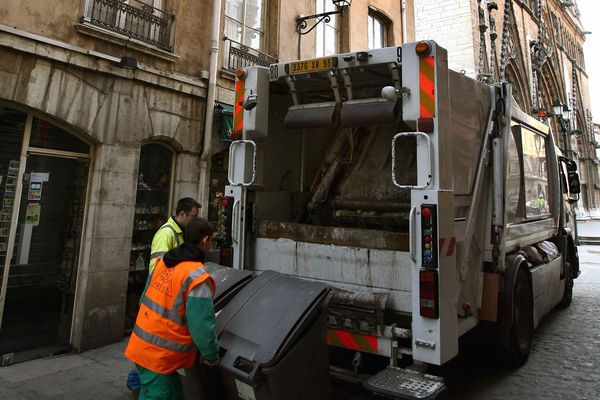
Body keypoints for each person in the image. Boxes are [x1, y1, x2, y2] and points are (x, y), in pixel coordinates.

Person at [125, 218, 220, 400]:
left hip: (142, 347)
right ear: (205, 240)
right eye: (212, 241)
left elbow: (144, 298)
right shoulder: (197, 277)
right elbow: (202, 327)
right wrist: (211, 356)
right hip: (160, 357)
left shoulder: (165, 263)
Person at [149, 197, 201, 273]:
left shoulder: (182, 231)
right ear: (182, 214)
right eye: (193, 217)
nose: (195, 220)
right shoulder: (165, 234)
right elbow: (158, 268)